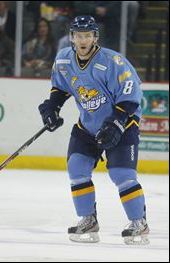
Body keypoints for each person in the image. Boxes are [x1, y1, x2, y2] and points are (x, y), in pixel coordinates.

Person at [38, 15, 149, 245]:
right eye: (79, 35)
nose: (83, 40)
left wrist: (117, 121)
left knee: (122, 175)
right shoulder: (63, 60)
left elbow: (132, 94)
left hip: (123, 123)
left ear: (94, 37)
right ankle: (88, 219)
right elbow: (60, 87)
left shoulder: (112, 62)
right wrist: (52, 107)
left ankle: (139, 222)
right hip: (88, 125)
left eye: (87, 35)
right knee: (76, 167)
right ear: (72, 37)